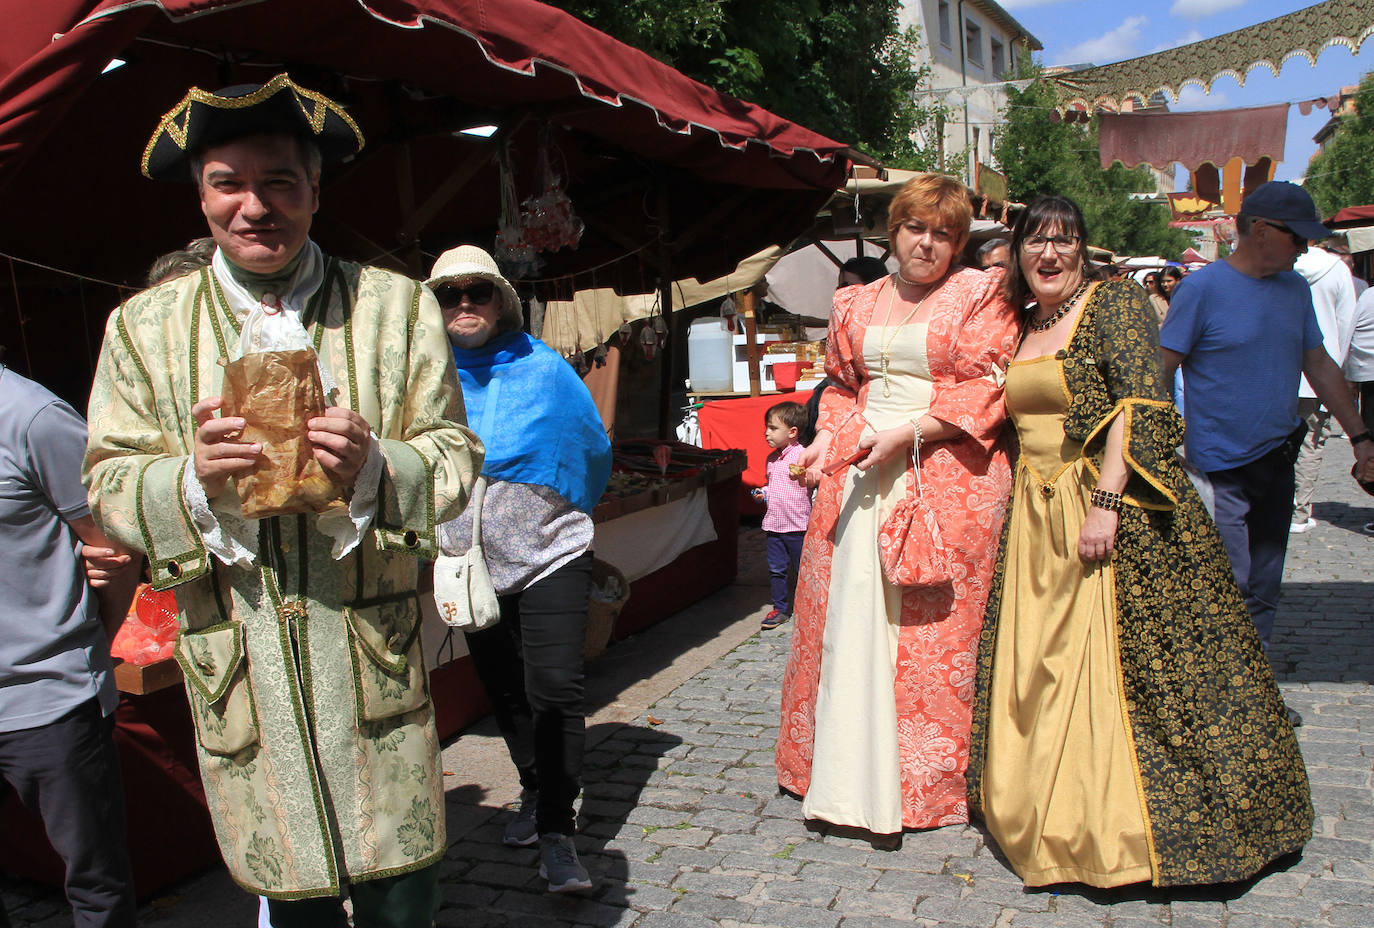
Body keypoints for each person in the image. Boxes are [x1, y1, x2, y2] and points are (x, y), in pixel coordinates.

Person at [82, 75, 481, 926]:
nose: (253, 206)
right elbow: (109, 479)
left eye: (279, 183)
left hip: (368, 657)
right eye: (229, 182)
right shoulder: (143, 329)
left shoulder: (395, 308)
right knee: (289, 897)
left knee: (401, 898)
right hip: (242, 670)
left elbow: (454, 454)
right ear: (201, 194)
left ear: (315, 190)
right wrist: (189, 479)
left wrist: (375, 465)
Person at [967, 194, 1313, 889]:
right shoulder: (1023, 322)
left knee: (1133, 673)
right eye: (1037, 240)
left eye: (1065, 240)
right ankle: (1040, 805)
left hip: (1104, 507)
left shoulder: (1114, 302)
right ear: (1019, 251)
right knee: (1041, 666)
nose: (1050, 254)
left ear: (1084, 248)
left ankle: (1119, 830)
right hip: (1035, 519)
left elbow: (1140, 399)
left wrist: (1106, 502)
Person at [775, 173, 1018, 838]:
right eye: (917, 229)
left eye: (945, 233)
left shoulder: (982, 292)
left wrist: (908, 432)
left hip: (940, 470)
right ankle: (837, 771)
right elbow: (845, 387)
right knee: (847, 617)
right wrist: (828, 440)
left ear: (959, 242)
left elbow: (988, 386)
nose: (929, 244)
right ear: (894, 231)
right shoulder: (855, 302)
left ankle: (918, 785)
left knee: (923, 633)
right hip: (860, 468)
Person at [429, 245, 611, 894]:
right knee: (504, 689)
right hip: (467, 567)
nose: (465, 304)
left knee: (555, 689)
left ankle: (559, 835)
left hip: (551, 554)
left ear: (502, 299)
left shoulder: (547, 370)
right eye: (450, 294)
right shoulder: (426, 380)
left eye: (478, 291)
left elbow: (591, 449)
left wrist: (558, 511)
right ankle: (535, 788)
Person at [1160, 181, 1374, 657]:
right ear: (1260, 230)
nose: (1304, 248)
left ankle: (1257, 700)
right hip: (1219, 473)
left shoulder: (1294, 289)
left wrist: (1360, 437)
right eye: (1297, 237)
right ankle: (1222, 698)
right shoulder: (1200, 290)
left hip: (1276, 461)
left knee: (1264, 584)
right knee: (1225, 587)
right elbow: (1161, 368)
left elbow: (1318, 364)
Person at [1, 362, 140, 927]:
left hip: (50, 698)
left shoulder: (32, 418)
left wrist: (91, 649)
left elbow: (116, 549)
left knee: (94, 883)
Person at [1290, 242, 1357, 533]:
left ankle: (1273, 508)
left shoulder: (1277, 264)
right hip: (1320, 373)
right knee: (1310, 445)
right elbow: (1347, 324)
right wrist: (1338, 370)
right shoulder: (1337, 270)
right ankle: (1298, 513)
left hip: (1281, 371)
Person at [752, 401, 811, 631]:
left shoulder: (803, 455)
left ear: (792, 432)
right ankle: (780, 608)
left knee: (803, 569)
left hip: (797, 525)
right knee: (777, 569)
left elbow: (814, 481)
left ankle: (809, 605)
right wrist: (763, 493)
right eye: (766, 428)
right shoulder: (771, 459)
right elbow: (772, 486)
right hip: (775, 525)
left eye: (773, 428)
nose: (767, 433)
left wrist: (806, 476)